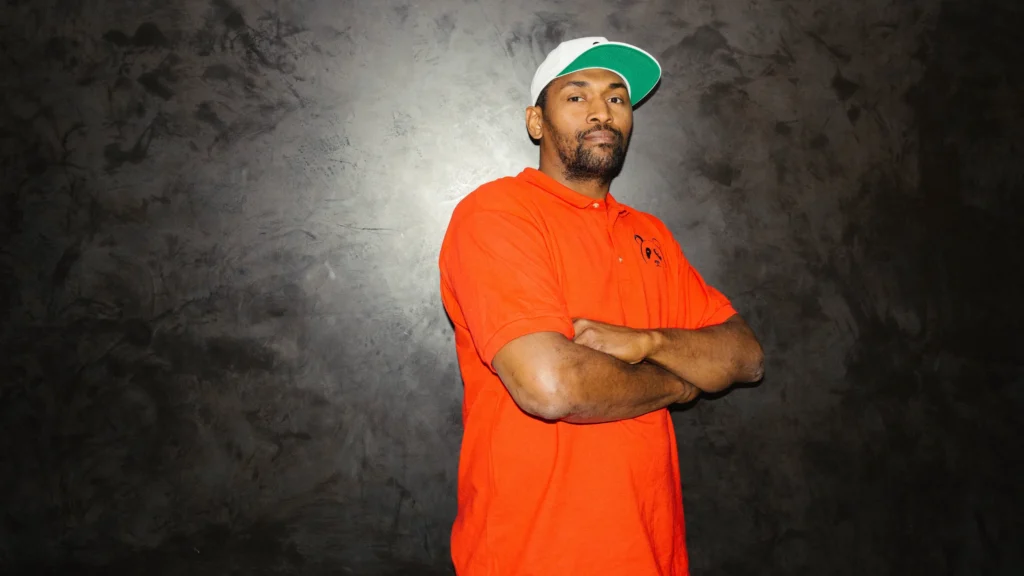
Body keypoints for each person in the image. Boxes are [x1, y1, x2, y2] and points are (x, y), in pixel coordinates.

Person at [437, 36, 765, 576]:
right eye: (576, 96)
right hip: (533, 557)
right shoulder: (497, 214)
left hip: (652, 555)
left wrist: (647, 342)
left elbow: (746, 357)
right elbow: (551, 386)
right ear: (536, 122)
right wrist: (680, 383)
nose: (602, 112)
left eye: (616, 98)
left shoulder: (649, 234)